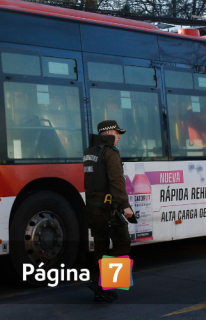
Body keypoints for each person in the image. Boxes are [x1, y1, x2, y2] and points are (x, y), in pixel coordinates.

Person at [83, 120, 133, 303]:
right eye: (118, 133)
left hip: (92, 208)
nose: (119, 137)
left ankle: (100, 291)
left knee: (101, 245)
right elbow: (116, 181)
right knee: (122, 243)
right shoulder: (110, 152)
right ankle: (105, 284)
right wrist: (125, 206)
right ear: (110, 132)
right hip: (107, 208)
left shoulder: (90, 152)